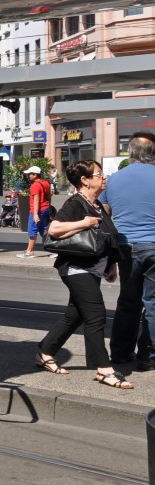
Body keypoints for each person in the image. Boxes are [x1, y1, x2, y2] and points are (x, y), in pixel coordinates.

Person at [36, 160, 131, 388]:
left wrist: (112, 265)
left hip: (93, 269)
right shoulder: (76, 203)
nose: (104, 177)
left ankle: (45, 351)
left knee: (75, 315)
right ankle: (104, 369)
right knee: (96, 314)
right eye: (98, 174)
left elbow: (108, 238)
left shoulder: (96, 204)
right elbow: (54, 229)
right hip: (76, 268)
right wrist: (84, 222)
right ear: (85, 180)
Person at [104, 132, 155, 371]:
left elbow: (103, 214)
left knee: (128, 302)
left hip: (126, 246)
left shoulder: (114, 179)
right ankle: (148, 357)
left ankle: (121, 353)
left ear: (130, 152)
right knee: (153, 304)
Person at [17, 165, 53, 259]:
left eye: (30, 174)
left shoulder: (35, 186)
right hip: (45, 209)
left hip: (36, 211)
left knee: (32, 231)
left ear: (35, 175)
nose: (29, 176)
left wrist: (35, 214)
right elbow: (49, 195)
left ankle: (29, 251)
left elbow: (36, 200)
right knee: (44, 231)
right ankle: (54, 250)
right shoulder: (46, 183)